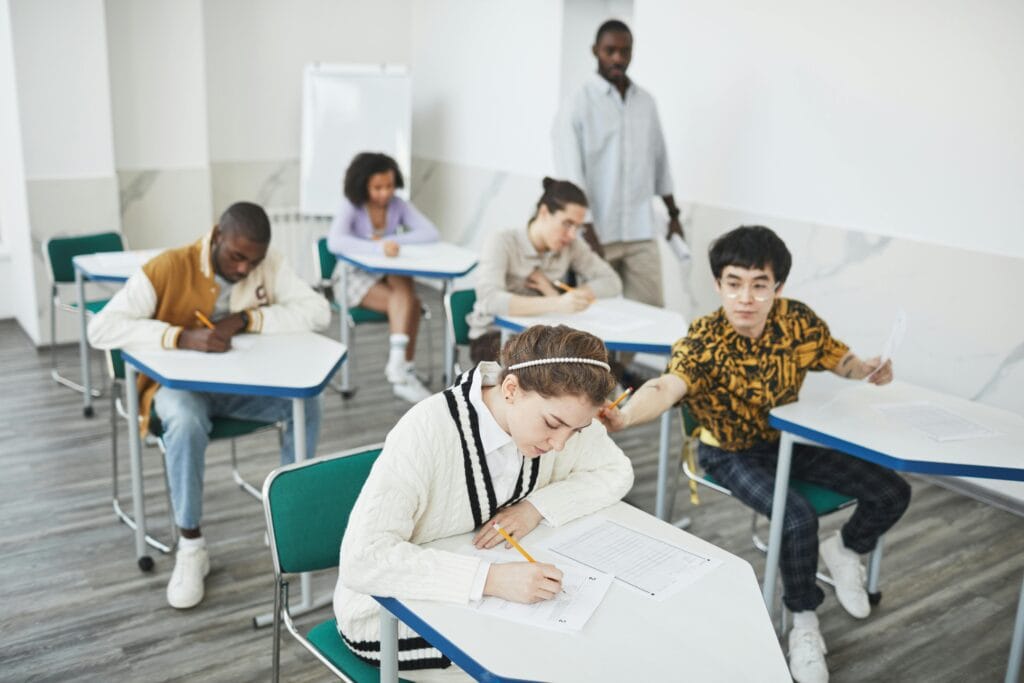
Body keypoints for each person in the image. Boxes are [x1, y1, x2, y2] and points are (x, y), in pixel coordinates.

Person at [599, 226, 911, 683]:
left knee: (892, 490)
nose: (745, 297)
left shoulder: (797, 321)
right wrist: (625, 417)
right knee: (796, 516)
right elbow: (667, 385)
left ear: (777, 288)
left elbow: (836, 357)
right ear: (718, 284)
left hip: (785, 444)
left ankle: (845, 548)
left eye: (759, 285)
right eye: (734, 283)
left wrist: (864, 369)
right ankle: (803, 621)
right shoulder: (704, 337)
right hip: (729, 454)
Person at [334, 325, 634, 680]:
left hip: (476, 593)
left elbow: (616, 470)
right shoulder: (427, 428)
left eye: (576, 431)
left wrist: (535, 508)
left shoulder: (560, 413)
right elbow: (363, 559)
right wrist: (490, 579)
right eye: (553, 425)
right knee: (543, 660)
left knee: (590, 640)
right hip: (386, 614)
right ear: (510, 389)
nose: (560, 445)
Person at [88, 201, 331, 610]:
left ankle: (288, 524)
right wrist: (179, 337)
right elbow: (101, 327)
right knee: (184, 419)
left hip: (240, 385)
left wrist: (246, 320)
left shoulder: (266, 263)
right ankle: (191, 545)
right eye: (236, 257)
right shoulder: (169, 267)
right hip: (178, 390)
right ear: (217, 235)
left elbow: (318, 311)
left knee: (304, 403)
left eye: (251, 262)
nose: (242, 269)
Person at [553, 19, 684, 382]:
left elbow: (660, 161)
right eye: (610, 50)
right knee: (597, 314)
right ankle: (594, 379)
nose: (618, 57)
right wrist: (585, 228)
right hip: (598, 231)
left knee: (650, 310)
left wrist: (673, 214)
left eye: (624, 51)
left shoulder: (646, 103)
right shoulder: (578, 105)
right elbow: (570, 175)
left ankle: (614, 370)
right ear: (596, 51)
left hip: (641, 227)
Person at [466, 177, 622, 363]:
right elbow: (490, 300)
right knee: (568, 370)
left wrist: (574, 296)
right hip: (494, 338)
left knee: (598, 365)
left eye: (577, 227)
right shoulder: (502, 241)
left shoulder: (571, 245)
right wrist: (556, 302)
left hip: (542, 338)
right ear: (544, 213)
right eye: (567, 224)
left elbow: (611, 281)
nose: (572, 235)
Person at [327, 152, 440, 403]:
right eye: (378, 187)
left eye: (389, 186)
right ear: (363, 185)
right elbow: (335, 242)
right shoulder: (351, 206)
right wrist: (377, 246)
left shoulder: (398, 205)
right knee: (409, 303)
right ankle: (402, 371)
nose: (385, 193)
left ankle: (399, 368)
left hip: (385, 273)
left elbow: (430, 233)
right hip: (351, 278)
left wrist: (391, 241)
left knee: (404, 283)